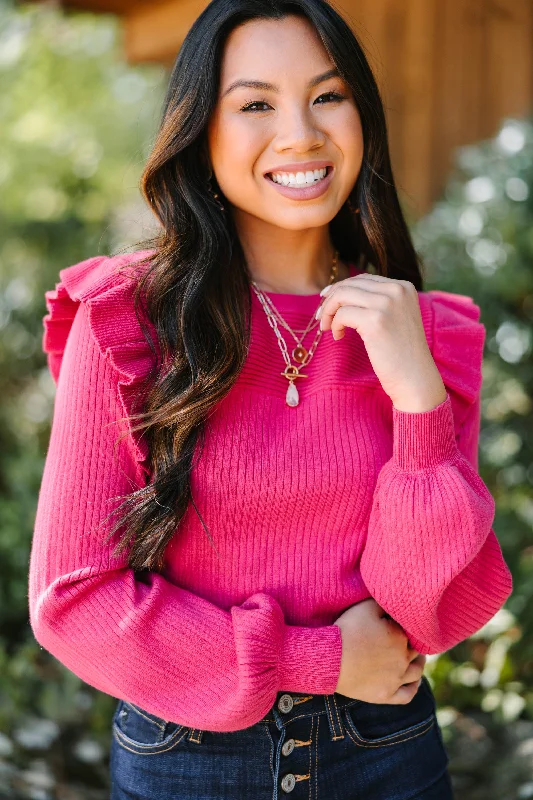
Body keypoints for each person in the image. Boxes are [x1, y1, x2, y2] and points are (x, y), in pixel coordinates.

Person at [28, 0, 513, 797]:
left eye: (327, 96)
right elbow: (73, 600)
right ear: (199, 130)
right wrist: (313, 659)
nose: (301, 134)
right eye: (255, 103)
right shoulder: (128, 316)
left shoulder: (420, 334)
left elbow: (433, 611)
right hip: (185, 757)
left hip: (387, 748)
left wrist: (417, 402)